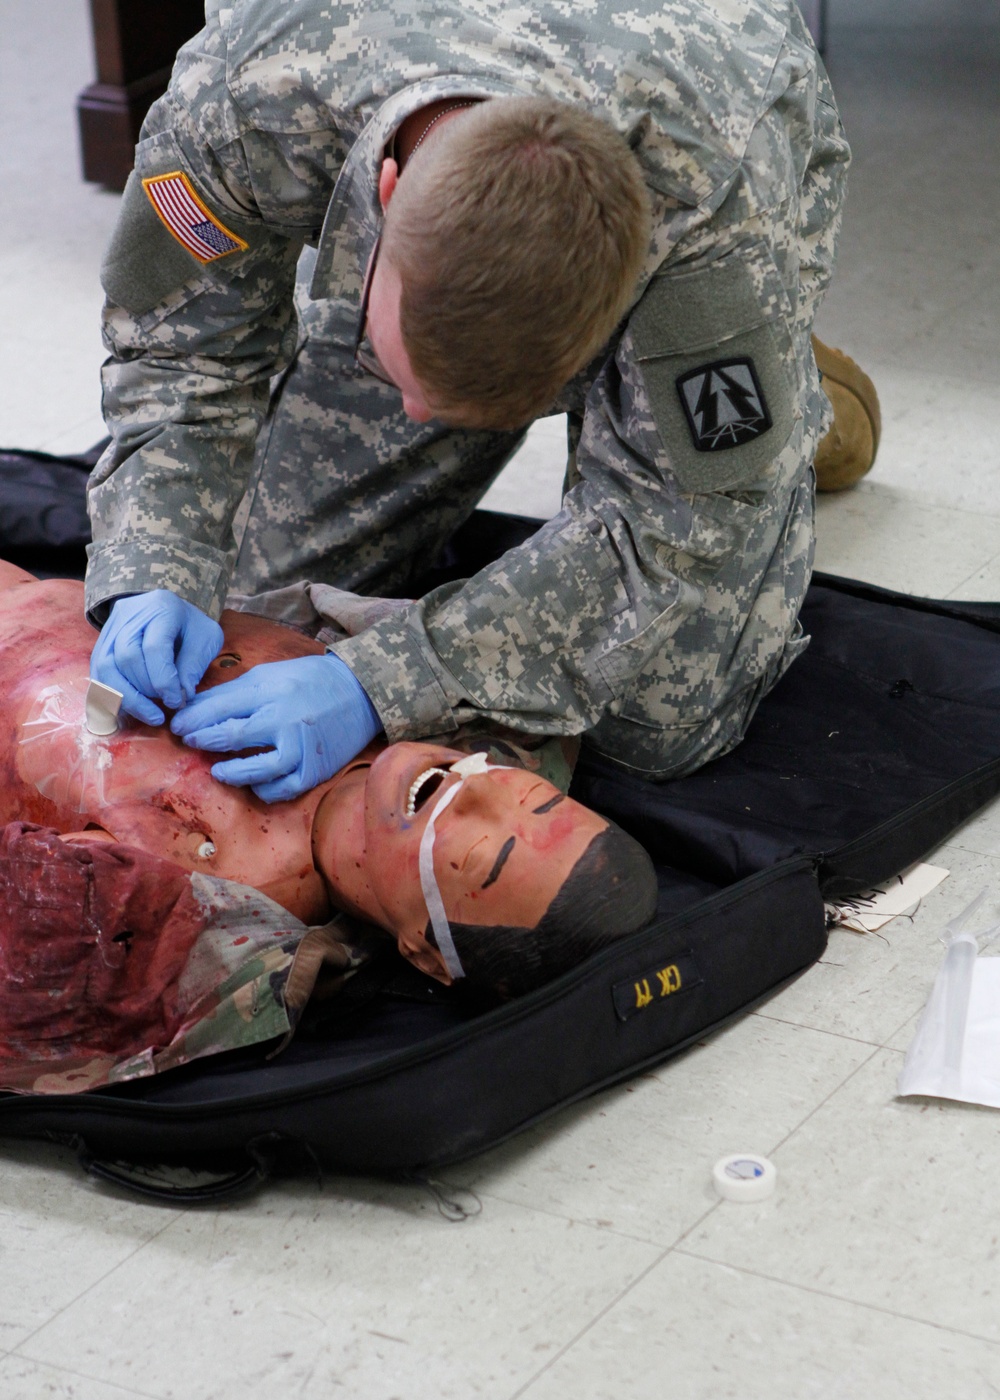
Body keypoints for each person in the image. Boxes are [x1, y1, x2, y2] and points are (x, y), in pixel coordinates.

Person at [87, 0, 858, 805]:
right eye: (410, 375)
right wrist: (157, 564)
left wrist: (382, 684)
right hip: (398, 155)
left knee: (655, 720)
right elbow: (179, 344)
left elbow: (674, 526)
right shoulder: (246, 98)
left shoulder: (715, 197)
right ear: (385, 196)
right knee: (261, 603)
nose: (419, 416)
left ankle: (761, 389)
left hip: (709, 176)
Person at [0, 561, 656, 1093]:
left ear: (425, 950)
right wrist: (156, 572)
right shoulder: (421, 694)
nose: (476, 791)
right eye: (531, 794)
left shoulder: (219, 883)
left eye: (481, 855)